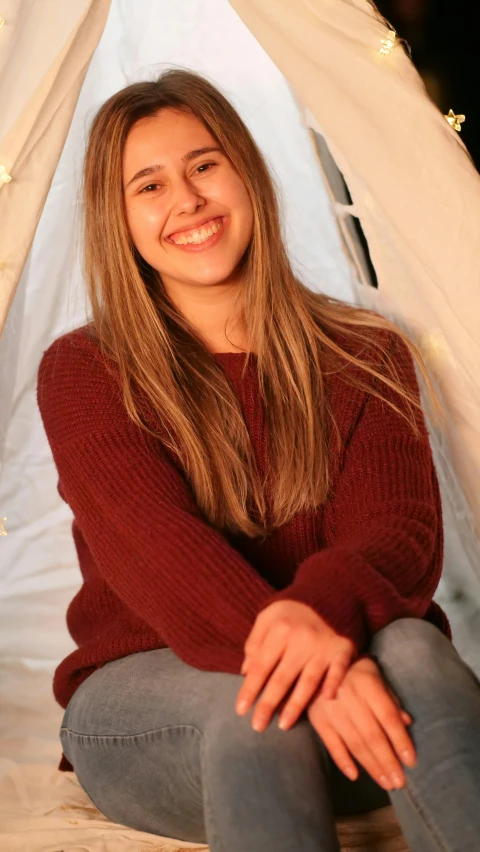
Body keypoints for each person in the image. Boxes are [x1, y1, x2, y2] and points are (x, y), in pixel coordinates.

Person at [37, 68, 480, 852]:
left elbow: (398, 534)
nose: (188, 200)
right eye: (150, 184)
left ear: (247, 172)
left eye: (205, 165)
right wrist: (317, 657)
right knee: (258, 705)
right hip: (145, 704)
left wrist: (316, 623)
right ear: (120, 220)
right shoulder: (86, 371)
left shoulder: (365, 352)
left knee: (415, 645)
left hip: (352, 695)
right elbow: (161, 552)